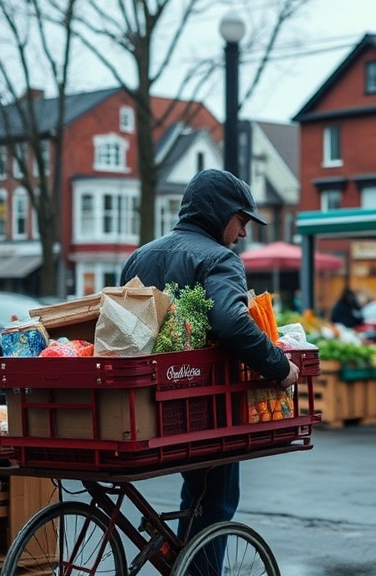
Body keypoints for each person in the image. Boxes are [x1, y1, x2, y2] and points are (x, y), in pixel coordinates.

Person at [119, 169, 299, 564]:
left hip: (144, 409)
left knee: (195, 491)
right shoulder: (218, 258)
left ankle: (183, 562)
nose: (244, 233)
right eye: (242, 220)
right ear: (221, 213)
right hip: (201, 404)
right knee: (215, 501)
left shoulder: (140, 255)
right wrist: (278, 366)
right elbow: (232, 322)